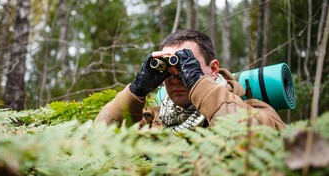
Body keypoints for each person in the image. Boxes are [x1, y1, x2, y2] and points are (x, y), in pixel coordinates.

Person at [95, 29, 285, 131]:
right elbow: (99, 135)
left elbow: (271, 146)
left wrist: (197, 83)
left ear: (213, 69)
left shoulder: (252, 109)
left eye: (187, 66)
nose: (176, 78)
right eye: (168, 69)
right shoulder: (152, 118)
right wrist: (137, 90)